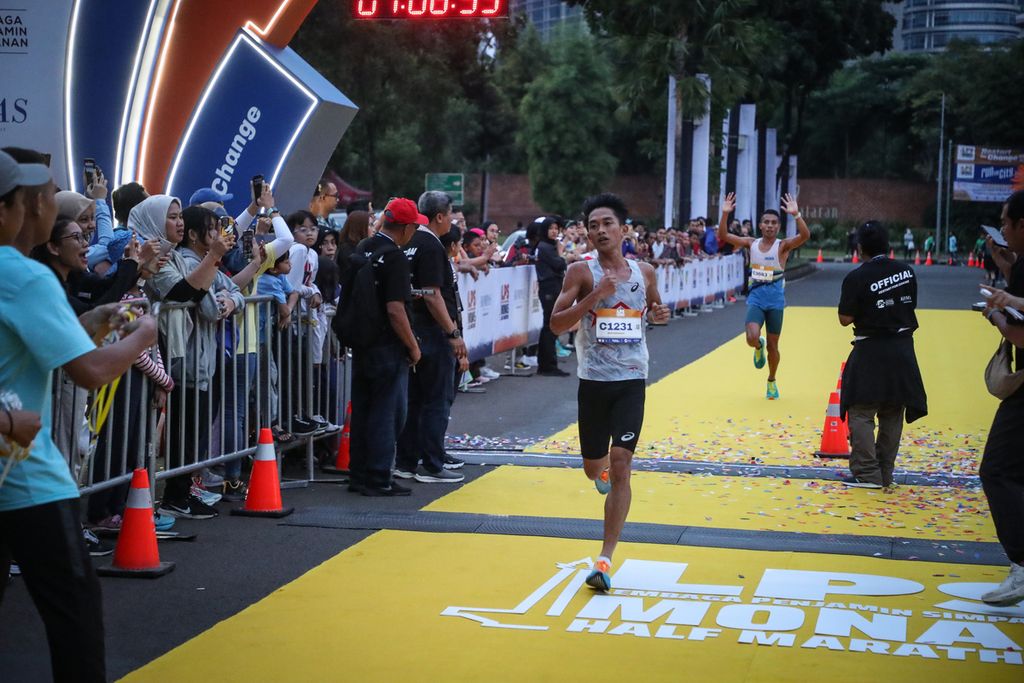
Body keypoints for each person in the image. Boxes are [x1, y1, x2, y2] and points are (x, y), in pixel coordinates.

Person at [0, 149, 159, 681]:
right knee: (75, 614)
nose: (47, 207)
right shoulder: (23, 275)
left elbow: (49, 351)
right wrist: (141, 337)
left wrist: (92, 319)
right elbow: (88, 371)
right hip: (26, 474)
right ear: (12, 212)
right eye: (41, 199)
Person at [550, 192, 670, 592]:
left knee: (622, 463)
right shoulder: (579, 271)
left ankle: (604, 558)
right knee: (594, 468)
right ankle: (597, 469)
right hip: (593, 382)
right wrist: (595, 296)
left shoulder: (645, 271)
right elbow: (555, 326)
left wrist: (659, 313)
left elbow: (654, 307)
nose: (600, 230)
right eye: (593, 225)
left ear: (624, 229)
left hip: (633, 379)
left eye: (607, 224)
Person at [837, 221, 927, 489]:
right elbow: (911, 303)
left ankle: (867, 474)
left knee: (862, 411)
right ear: (889, 246)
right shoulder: (906, 271)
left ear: (859, 247)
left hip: (871, 349)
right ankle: (885, 473)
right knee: (892, 409)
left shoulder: (856, 276)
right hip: (902, 349)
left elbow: (845, 318)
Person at [346, 198, 422, 496]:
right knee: (387, 413)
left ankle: (359, 474)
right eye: (414, 226)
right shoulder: (395, 258)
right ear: (404, 227)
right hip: (387, 345)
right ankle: (379, 477)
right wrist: (413, 346)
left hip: (361, 340)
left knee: (364, 408)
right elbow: (395, 309)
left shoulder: (364, 247)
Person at [394, 191, 467, 484]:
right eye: (450, 214)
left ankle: (407, 461)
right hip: (433, 332)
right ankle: (432, 464)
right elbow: (433, 294)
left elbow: (418, 291)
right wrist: (453, 332)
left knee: (415, 400)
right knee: (436, 399)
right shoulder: (432, 246)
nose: (451, 220)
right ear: (440, 216)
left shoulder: (408, 240)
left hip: (413, 329)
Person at [977, 189, 1024, 606]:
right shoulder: (1020, 262)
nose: (1003, 230)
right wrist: (1003, 266)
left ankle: (1022, 565)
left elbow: (1019, 331)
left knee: (996, 470)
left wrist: (993, 313)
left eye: (1007, 223)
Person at [717, 192, 809, 399]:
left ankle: (771, 380)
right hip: (757, 299)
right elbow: (724, 236)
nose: (769, 226)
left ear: (778, 227)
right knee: (751, 337)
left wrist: (796, 215)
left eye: (774, 223)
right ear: (760, 225)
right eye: (766, 222)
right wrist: (724, 214)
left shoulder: (783, 245)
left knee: (774, 346)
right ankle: (758, 346)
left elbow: (805, 236)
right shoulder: (751, 243)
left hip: (775, 301)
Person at [532, 216, 570, 376]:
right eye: (551, 228)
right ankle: (547, 365)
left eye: (556, 228)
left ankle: (548, 364)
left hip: (553, 287)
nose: (554, 231)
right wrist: (561, 253)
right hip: (548, 288)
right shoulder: (545, 247)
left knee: (551, 325)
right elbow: (559, 264)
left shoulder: (549, 246)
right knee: (549, 325)